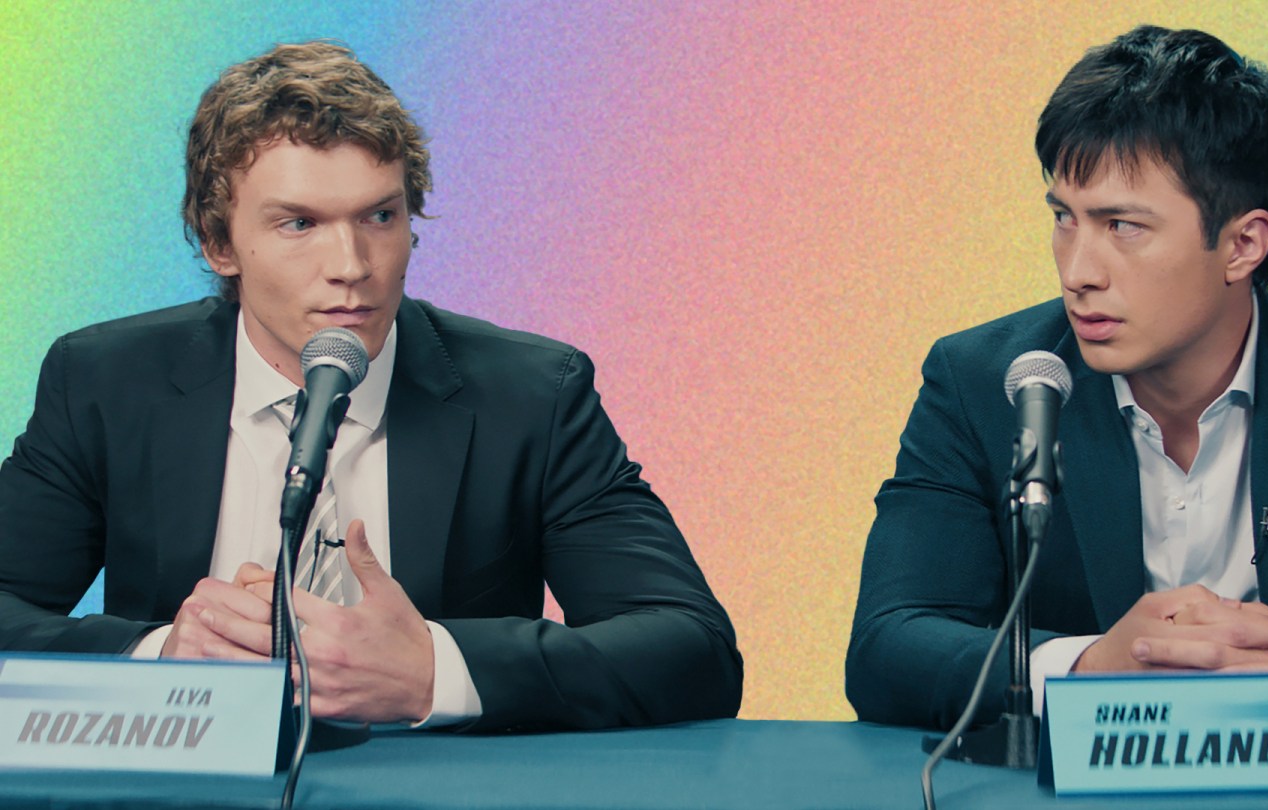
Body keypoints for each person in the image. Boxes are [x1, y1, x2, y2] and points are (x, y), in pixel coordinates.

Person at [0, 41, 742, 731]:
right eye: (299, 224)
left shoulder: (534, 396)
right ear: (220, 243)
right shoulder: (105, 382)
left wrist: (434, 672)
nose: (352, 265)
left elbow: (693, 647)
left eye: (379, 216)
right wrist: (160, 656)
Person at [846, 24, 1268, 729]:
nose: (1078, 272)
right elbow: (889, 644)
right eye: (1064, 218)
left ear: (1243, 244)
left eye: (1123, 226)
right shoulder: (982, 383)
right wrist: (1088, 668)